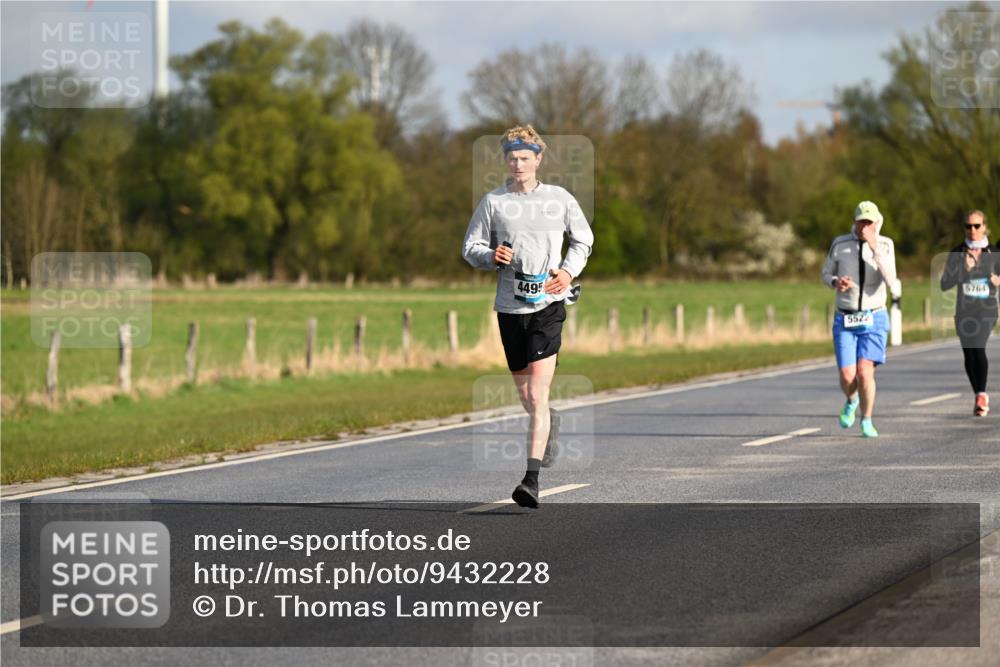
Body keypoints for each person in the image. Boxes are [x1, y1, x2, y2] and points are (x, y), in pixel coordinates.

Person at [462, 125, 594, 507]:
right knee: (527, 394)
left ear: (538, 159)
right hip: (509, 307)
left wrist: (567, 272)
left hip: (548, 307)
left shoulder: (559, 198)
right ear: (505, 160)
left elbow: (583, 238)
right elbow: (470, 246)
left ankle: (530, 480)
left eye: (525, 157)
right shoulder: (494, 201)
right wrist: (490, 256)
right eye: (512, 157)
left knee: (536, 392)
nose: (518, 164)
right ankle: (548, 421)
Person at [821, 200, 898, 438]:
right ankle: (852, 400)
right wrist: (836, 282)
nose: (865, 226)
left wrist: (874, 246)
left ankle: (867, 419)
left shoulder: (885, 244)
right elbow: (825, 273)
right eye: (861, 221)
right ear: (854, 221)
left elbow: (891, 280)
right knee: (847, 375)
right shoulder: (840, 243)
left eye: (870, 222)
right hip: (845, 317)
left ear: (877, 222)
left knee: (865, 372)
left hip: (874, 317)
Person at [939, 210, 1000, 416]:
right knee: (969, 354)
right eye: (968, 226)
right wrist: (962, 271)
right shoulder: (957, 253)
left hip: (987, 309)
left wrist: (998, 280)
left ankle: (982, 394)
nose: (972, 230)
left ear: (984, 227)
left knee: (978, 345)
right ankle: (978, 395)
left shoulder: (993, 252)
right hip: (964, 311)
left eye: (976, 226)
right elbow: (944, 284)